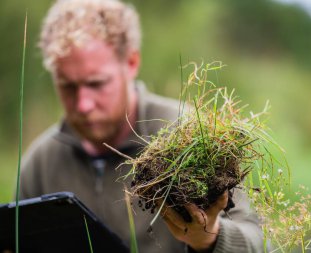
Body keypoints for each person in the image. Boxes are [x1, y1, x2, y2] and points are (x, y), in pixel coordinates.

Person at [19, 0, 264, 252]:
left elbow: (256, 242)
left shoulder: (191, 138)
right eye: (67, 86)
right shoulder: (40, 164)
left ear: (132, 62)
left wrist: (209, 238)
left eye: (96, 83)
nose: (83, 105)